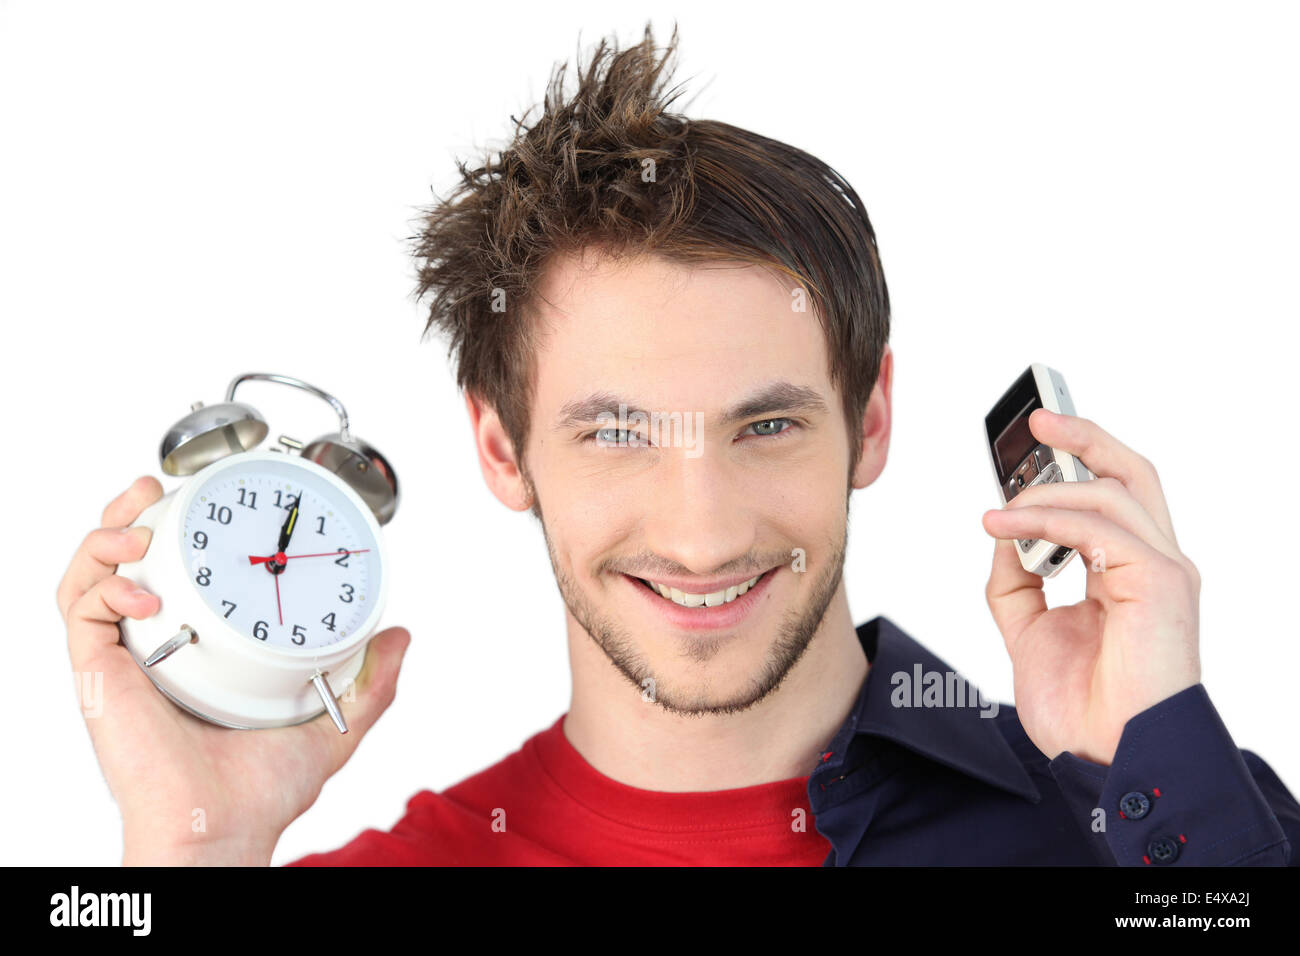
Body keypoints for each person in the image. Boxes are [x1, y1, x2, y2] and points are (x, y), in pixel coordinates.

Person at [57, 24, 1299, 866]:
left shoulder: (1156, 824)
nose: (700, 530)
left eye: (764, 423)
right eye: (613, 433)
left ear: (869, 418)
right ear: (501, 448)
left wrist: (1143, 757)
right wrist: (190, 848)